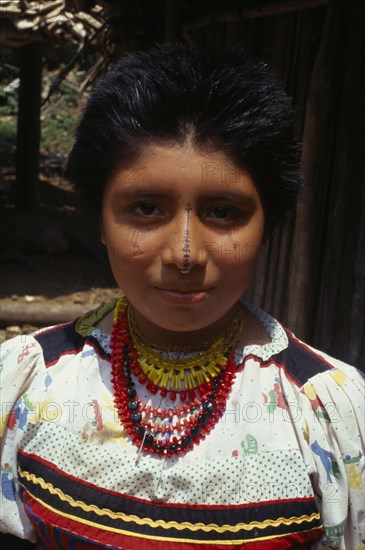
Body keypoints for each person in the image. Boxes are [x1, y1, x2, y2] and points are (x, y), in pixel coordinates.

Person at [0, 42, 364, 550]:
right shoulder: (24, 384)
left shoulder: (328, 414)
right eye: (146, 208)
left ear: (268, 226)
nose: (185, 253)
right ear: (100, 221)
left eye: (223, 212)